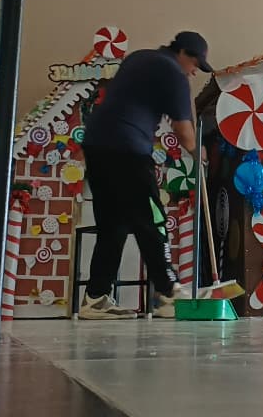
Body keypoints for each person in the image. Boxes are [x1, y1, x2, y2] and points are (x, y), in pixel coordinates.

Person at [77, 31, 213, 319]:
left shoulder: (138, 59)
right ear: (184, 53)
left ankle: (96, 297)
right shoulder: (173, 74)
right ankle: (169, 292)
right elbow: (184, 131)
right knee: (152, 219)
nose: (193, 73)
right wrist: (198, 153)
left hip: (96, 145)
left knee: (113, 225)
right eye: (195, 65)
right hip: (128, 149)